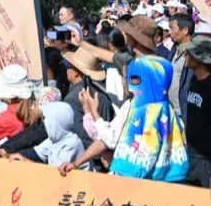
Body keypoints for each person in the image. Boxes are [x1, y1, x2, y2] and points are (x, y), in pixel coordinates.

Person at [59, 55, 188, 182]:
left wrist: (93, 112)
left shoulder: (146, 110)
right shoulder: (149, 106)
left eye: (127, 77)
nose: (123, 81)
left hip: (141, 184)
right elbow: (103, 140)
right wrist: (76, 163)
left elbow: (110, 139)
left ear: (144, 80)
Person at [178, 35, 211, 187]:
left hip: (205, 159)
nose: (186, 56)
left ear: (200, 58)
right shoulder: (193, 81)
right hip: (191, 153)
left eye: (189, 53)